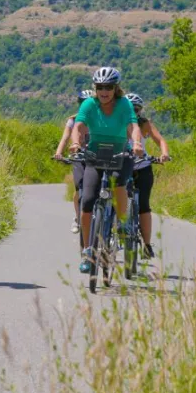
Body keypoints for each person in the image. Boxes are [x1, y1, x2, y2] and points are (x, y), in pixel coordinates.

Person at [70, 67, 144, 273]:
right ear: (95, 88)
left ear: (115, 88)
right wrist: (75, 143)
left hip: (120, 153)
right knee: (87, 200)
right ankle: (87, 250)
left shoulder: (124, 104)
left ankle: (121, 224)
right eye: (100, 87)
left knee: (119, 182)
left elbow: (133, 126)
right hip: (95, 155)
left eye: (108, 87)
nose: (104, 91)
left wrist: (137, 143)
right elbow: (78, 126)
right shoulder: (89, 104)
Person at [125, 93, 170, 259]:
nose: (133, 112)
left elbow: (161, 140)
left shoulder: (145, 124)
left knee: (143, 206)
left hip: (142, 167)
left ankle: (147, 245)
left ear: (140, 110)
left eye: (136, 109)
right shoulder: (118, 121)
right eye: (129, 109)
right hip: (123, 166)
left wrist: (164, 154)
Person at [54, 89, 95, 233]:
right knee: (79, 186)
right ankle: (78, 218)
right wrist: (59, 152)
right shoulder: (73, 120)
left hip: (95, 157)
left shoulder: (99, 119)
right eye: (83, 102)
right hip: (79, 156)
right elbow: (65, 137)